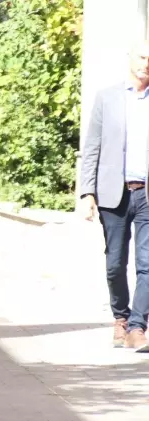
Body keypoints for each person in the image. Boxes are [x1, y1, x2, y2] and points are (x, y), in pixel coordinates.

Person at [80, 40, 149, 352]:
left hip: (146, 193)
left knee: (147, 263)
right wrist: (86, 192)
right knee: (114, 264)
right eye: (142, 57)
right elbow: (92, 146)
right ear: (130, 58)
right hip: (114, 194)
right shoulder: (107, 98)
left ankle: (138, 325)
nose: (146, 64)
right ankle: (120, 318)